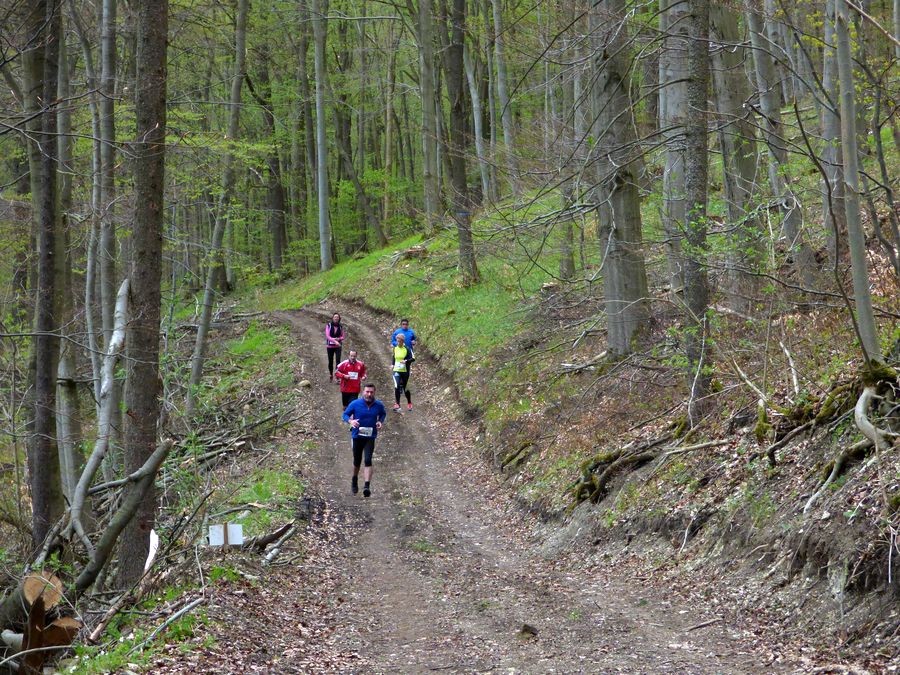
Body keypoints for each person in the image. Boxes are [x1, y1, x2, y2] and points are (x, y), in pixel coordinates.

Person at [342, 383, 387, 497]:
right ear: (363, 392)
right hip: (357, 436)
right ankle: (354, 479)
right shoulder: (355, 403)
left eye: (371, 392)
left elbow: (383, 414)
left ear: (374, 392)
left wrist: (380, 421)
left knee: (368, 460)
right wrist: (351, 421)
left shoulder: (378, 405)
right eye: (367, 392)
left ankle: (367, 486)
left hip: (370, 437)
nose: (369, 394)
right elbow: (345, 415)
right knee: (357, 461)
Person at [391, 332, 414, 412]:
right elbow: (394, 357)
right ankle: (397, 404)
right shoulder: (395, 348)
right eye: (397, 341)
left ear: (403, 341)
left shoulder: (407, 349)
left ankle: (409, 402)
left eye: (400, 341)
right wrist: (392, 364)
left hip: (405, 371)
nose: (398, 343)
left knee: (405, 388)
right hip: (396, 370)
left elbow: (413, 358)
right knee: (397, 386)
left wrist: (406, 361)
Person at [324, 313, 346, 381]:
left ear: (339, 319)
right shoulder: (329, 325)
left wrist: (338, 339)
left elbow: (343, 336)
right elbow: (327, 336)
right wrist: (335, 341)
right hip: (330, 346)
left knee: (338, 361)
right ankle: (331, 374)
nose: (336, 318)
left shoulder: (340, 326)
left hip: (338, 346)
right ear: (332, 318)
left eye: (337, 317)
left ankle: (337, 376)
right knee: (330, 361)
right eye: (335, 317)